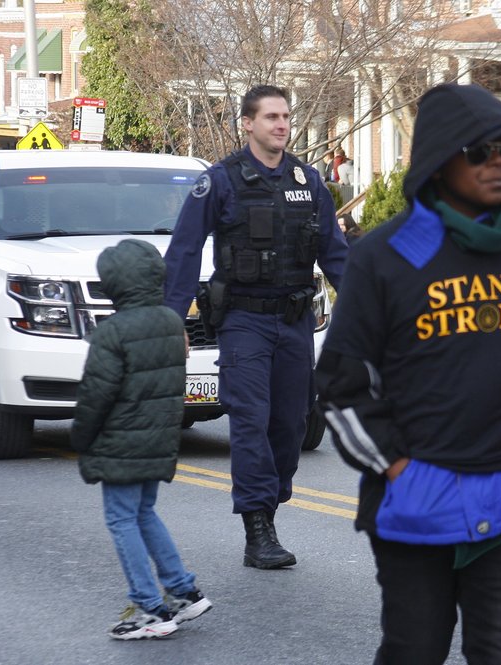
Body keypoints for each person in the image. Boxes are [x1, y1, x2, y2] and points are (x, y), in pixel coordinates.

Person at [316, 82, 501, 665]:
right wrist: (397, 467)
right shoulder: (385, 256)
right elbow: (340, 384)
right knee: (414, 649)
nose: (498, 163)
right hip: (414, 499)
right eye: (479, 152)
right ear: (439, 159)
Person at [164, 84, 348, 569]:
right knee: (249, 420)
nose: (281, 125)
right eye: (270, 117)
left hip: (293, 323)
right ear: (247, 123)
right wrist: (171, 317)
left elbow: (336, 256)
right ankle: (257, 528)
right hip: (243, 320)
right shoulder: (221, 181)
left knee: (290, 423)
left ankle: (271, 492)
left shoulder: (309, 183)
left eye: (286, 116)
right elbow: (184, 249)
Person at [71, 238, 213, 641]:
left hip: (120, 440)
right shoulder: (172, 323)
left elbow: (96, 394)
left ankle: (149, 607)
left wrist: (81, 436)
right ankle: (182, 590)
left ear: (114, 285)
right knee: (144, 512)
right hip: (159, 436)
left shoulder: (111, 333)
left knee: (121, 518)